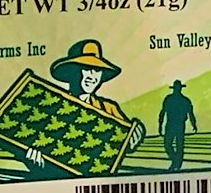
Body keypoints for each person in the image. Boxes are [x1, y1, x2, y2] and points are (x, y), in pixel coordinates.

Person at [23, 40, 145, 172]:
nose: (92, 75)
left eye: (97, 70)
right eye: (86, 68)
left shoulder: (109, 108)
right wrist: (36, 165)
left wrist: (135, 135)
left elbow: (126, 139)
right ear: (72, 71)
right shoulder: (52, 107)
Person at [157, 80, 197, 171]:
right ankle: (176, 161)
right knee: (170, 145)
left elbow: (190, 113)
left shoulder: (177, 100)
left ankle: (177, 163)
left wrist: (194, 123)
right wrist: (160, 124)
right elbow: (162, 112)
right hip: (174, 125)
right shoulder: (181, 100)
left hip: (175, 125)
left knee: (177, 145)